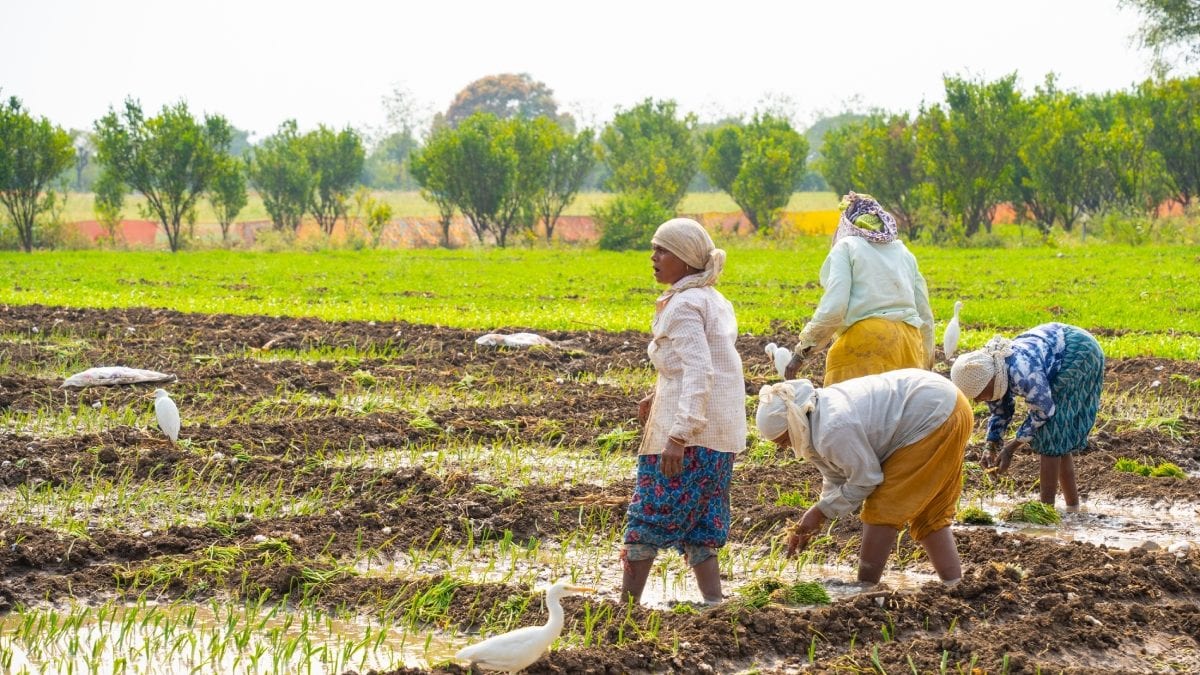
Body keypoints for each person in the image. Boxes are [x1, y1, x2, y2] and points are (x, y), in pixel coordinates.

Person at [622, 217, 747, 606]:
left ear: (687, 260)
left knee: (647, 518)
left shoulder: (684, 305)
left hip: (690, 436)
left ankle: (624, 610)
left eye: (663, 251)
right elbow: (699, 362)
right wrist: (656, 393)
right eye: (655, 248)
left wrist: (679, 435)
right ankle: (714, 602)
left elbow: (700, 370)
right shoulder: (714, 300)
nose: (653, 257)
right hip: (720, 435)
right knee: (703, 522)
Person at [755, 369, 972, 586]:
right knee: (930, 514)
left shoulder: (833, 428)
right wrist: (818, 514)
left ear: (793, 423)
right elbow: (837, 474)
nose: (786, 447)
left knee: (882, 508)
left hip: (932, 415)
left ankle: (864, 590)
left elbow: (866, 480)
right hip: (951, 405)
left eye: (784, 440)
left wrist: (820, 512)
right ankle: (954, 585)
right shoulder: (814, 417)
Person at [949, 323, 1105, 510]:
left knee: (1051, 433)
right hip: (1057, 346)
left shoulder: (1023, 373)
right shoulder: (993, 373)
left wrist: (1010, 448)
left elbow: (1043, 410)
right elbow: (1000, 411)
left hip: (1079, 351)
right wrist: (991, 446)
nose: (978, 401)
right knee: (1056, 438)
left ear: (990, 381)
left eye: (979, 395)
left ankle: (1046, 512)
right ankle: (1073, 507)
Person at [783, 192, 935, 384]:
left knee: (849, 410)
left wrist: (801, 352)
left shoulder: (847, 247)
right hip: (909, 344)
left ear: (847, 222)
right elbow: (925, 315)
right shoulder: (904, 253)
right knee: (899, 412)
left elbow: (834, 308)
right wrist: (926, 362)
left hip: (865, 342)